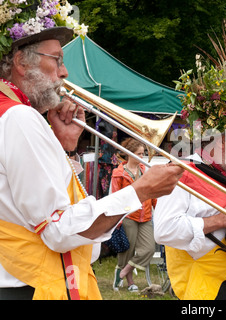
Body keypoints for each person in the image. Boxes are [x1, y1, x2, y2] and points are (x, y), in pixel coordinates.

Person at [0, 1, 182, 300]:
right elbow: (57, 229)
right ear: (21, 62)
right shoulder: (19, 117)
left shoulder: (10, 114)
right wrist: (139, 192)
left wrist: (66, 147)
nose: (65, 71)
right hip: (30, 286)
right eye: (57, 60)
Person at [153, 42, 226, 299]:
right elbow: (164, 230)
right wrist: (219, 220)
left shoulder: (221, 174)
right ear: (222, 139)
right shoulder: (183, 172)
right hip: (205, 288)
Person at [111, 138, 157, 292]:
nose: (141, 157)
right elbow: (116, 197)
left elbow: (152, 191)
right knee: (127, 251)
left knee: (149, 248)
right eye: (139, 153)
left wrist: (157, 207)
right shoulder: (119, 173)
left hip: (146, 216)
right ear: (130, 154)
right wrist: (117, 219)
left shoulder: (145, 170)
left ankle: (122, 271)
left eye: (142, 153)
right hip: (128, 216)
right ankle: (130, 282)